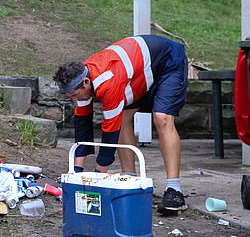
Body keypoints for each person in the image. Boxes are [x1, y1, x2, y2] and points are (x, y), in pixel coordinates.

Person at [53, 35, 188, 212]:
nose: (74, 100)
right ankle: (129, 181)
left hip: (168, 62)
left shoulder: (107, 85)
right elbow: (82, 127)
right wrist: (75, 173)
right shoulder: (81, 78)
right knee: (123, 116)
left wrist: (95, 182)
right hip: (138, 71)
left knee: (161, 117)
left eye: (75, 96)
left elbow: (110, 135)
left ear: (86, 83)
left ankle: (174, 189)